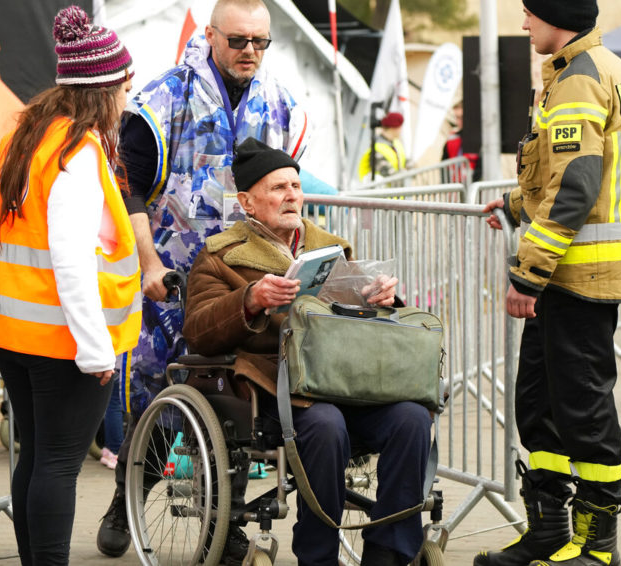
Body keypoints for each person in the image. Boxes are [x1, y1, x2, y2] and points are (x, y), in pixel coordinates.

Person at [96, 0, 308, 559]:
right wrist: (147, 265)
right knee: (152, 390)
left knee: (236, 394)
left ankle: (226, 520)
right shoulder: (163, 97)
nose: (250, 53)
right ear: (210, 34)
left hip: (247, 275)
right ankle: (129, 494)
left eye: (261, 42)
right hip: (174, 277)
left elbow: (288, 189)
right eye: (239, 41)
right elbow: (130, 188)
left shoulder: (281, 101)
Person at [183, 137, 431, 566]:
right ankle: (318, 557)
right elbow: (199, 332)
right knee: (325, 423)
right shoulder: (220, 255)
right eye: (278, 188)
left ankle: (389, 554)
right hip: (273, 386)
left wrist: (384, 300)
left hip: (346, 378)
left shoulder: (333, 247)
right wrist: (251, 299)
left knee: (410, 418)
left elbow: (365, 324)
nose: (292, 196)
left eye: (295, 186)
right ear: (248, 201)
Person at [475, 2, 621, 566]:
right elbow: (559, 176)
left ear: (556, 15)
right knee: (540, 404)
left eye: (528, 13)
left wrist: (527, 273)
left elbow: (575, 185)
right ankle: (549, 532)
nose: (523, 25)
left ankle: (597, 547)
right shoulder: (595, 72)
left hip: (577, 274)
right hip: (573, 271)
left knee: (582, 413)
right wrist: (512, 203)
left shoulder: (579, 82)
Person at [0, 6, 141, 564]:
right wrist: (96, 349)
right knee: (58, 464)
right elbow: (69, 258)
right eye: (125, 82)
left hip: (12, 329)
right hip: (60, 338)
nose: (128, 93)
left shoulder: (28, 134)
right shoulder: (79, 151)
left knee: (36, 456)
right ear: (104, 89)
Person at [358, 112, 407, 182]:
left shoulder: (396, 143)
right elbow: (389, 174)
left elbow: (405, 160)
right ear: (392, 128)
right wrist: (407, 173)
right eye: (399, 127)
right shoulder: (377, 149)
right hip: (380, 192)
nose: (401, 130)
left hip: (394, 191)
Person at [442, 100, 482, 182]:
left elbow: (481, 169)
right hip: (454, 189)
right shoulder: (451, 138)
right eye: (457, 117)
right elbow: (443, 166)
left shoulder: (480, 139)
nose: (458, 121)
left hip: (473, 189)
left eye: (461, 117)